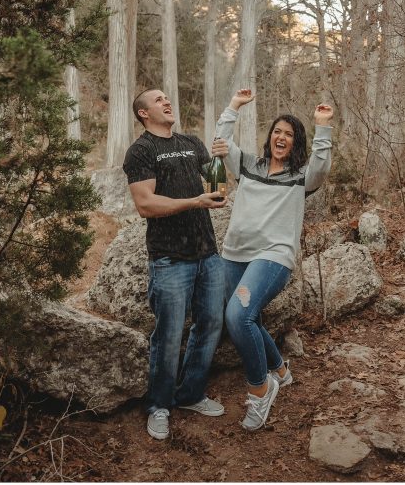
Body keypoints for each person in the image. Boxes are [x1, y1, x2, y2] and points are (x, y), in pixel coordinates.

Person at [212, 89, 333, 431]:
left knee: (238, 315)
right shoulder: (248, 165)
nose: (281, 137)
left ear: (296, 144)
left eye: (289, 134)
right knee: (248, 319)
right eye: (277, 132)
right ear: (270, 138)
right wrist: (233, 106)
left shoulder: (302, 177)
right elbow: (221, 142)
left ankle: (261, 389)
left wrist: (323, 127)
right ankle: (279, 367)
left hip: (273, 255)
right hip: (235, 253)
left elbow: (322, 167)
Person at [123, 89, 230, 441]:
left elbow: (216, 186)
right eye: (157, 100)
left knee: (211, 323)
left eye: (167, 98)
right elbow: (146, 205)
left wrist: (217, 169)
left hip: (207, 253)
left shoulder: (191, 141)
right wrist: (194, 201)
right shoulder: (140, 151)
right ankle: (159, 405)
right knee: (168, 336)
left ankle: (191, 394)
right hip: (169, 258)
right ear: (143, 113)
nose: (166, 102)